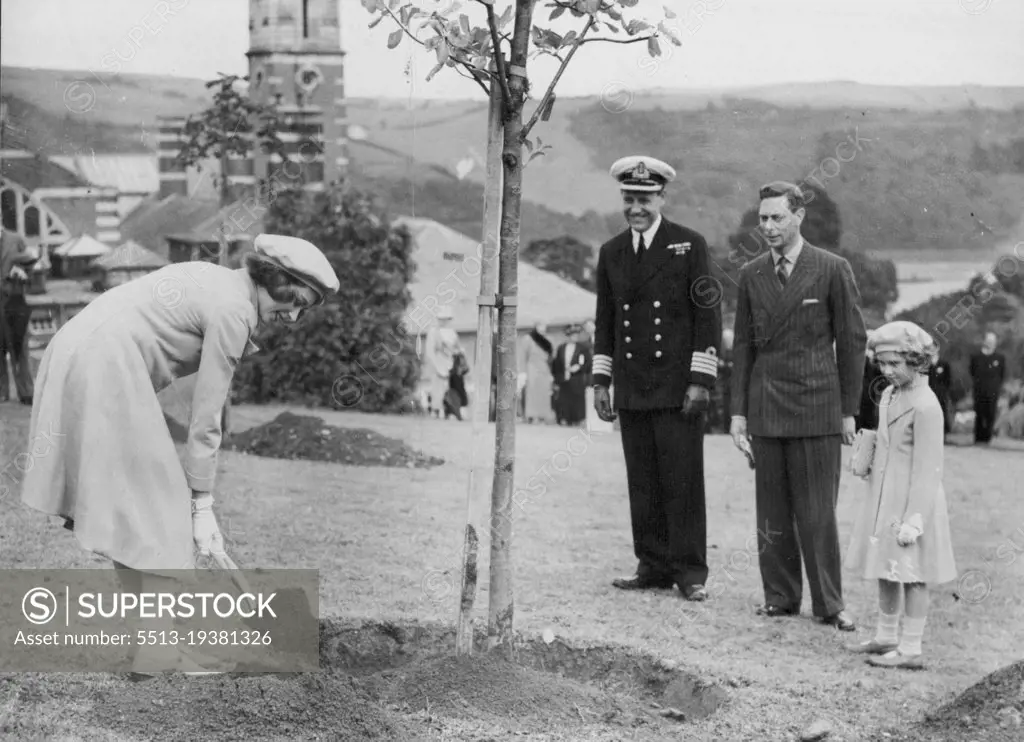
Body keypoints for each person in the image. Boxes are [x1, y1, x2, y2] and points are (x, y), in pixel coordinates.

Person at [19, 233, 339, 676]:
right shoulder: (235, 310)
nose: (294, 316)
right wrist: (202, 504)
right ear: (276, 280)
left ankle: (154, 651)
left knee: (138, 515)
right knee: (162, 511)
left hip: (77, 351)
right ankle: (160, 658)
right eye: (296, 300)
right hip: (105, 364)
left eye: (305, 308)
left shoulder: (218, 280)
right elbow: (207, 418)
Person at [730, 181, 867, 631]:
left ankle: (830, 603)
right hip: (766, 406)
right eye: (762, 219)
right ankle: (780, 597)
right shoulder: (752, 275)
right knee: (772, 512)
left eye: (777, 218)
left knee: (817, 512)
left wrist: (849, 410)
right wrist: (738, 414)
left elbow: (851, 343)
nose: (768, 227)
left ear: (799, 217)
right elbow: (744, 349)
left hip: (817, 407)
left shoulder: (831, 269)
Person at [592, 155, 721, 603]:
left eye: (645, 199)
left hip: (676, 386)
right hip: (631, 385)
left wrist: (700, 380)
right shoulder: (611, 252)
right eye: (629, 199)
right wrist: (600, 381)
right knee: (642, 480)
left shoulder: (689, 244)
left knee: (682, 479)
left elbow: (708, 315)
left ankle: (689, 571)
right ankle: (651, 564)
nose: (636, 208)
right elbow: (604, 321)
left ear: (662, 197)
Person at [844, 321, 957, 669]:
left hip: (911, 504)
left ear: (917, 360)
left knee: (914, 573)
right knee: (886, 568)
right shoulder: (891, 395)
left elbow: (928, 468)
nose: (888, 371)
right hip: (884, 497)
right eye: (882, 363)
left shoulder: (926, 405)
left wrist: (915, 518)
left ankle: (910, 648)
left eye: (896, 363)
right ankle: (887, 634)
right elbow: (885, 440)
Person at [0, 229, 39, 405]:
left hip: (15, 300)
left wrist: (23, 272)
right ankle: (2, 393)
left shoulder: (16, 240)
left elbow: (31, 263)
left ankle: (27, 392)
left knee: (21, 346)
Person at [424, 304, 461, 418]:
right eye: (442, 319)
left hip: (450, 365)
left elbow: (457, 348)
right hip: (438, 365)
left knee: (450, 389)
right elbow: (430, 351)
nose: (444, 321)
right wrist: (436, 365)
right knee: (437, 389)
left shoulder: (452, 332)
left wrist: (455, 354)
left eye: (446, 319)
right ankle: (435, 410)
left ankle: (449, 411)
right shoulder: (433, 332)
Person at [969, 331, 1006, 444]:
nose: (991, 343)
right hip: (979, 390)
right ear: (984, 341)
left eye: (993, 341)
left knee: (990, 413)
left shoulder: (999, 358)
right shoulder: (976, 357)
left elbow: (1002, 374)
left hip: (993, 391)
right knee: (979, 413)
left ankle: (987, 438)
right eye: (989, 341)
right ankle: (978, 437)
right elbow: (972, 371)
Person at [551, 324, 591, 426]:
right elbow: (556, 365)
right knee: (564, 400)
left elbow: (588, 363)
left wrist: (579, 367)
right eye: (572, 335)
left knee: (577, 400)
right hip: (563, 379)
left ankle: (577, 420)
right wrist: (556, 379)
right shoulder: (561, 348)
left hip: (577, 379)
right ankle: (564, 419)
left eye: (576, 335)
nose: (575, 337)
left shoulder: (582, 348)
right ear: (568, 336)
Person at [518, 322, 555, 423]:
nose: (542, 328)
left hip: (544, 369)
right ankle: (532, 415)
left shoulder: (548, 339)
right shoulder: (528, 339)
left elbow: (552, 357)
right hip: (532, 369)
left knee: (544, 393)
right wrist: (522, 372)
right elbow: (522, 356)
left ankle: (543, 416)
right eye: (540, 326)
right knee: (532, 393)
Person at [856, 330, 886, 432]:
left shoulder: (874, 361)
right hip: (858, 402)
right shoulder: (858, 358)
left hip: (869, 403)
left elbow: (881, 377)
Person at [927, 354, 953, 438]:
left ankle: (943, 434)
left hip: (941, 395)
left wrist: (943, 391)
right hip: (929, 394)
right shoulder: (926, 365)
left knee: (942, 413)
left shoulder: (944, 364)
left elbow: (948, 380)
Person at [444, 349, 470, 421]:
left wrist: (464, 358)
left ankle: (450, 411)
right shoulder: (453, 372)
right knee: (456, 404)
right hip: (453, 394)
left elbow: (467, 368)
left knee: (463, 402)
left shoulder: (460, 372)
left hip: (459, 392)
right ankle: (451, 411)